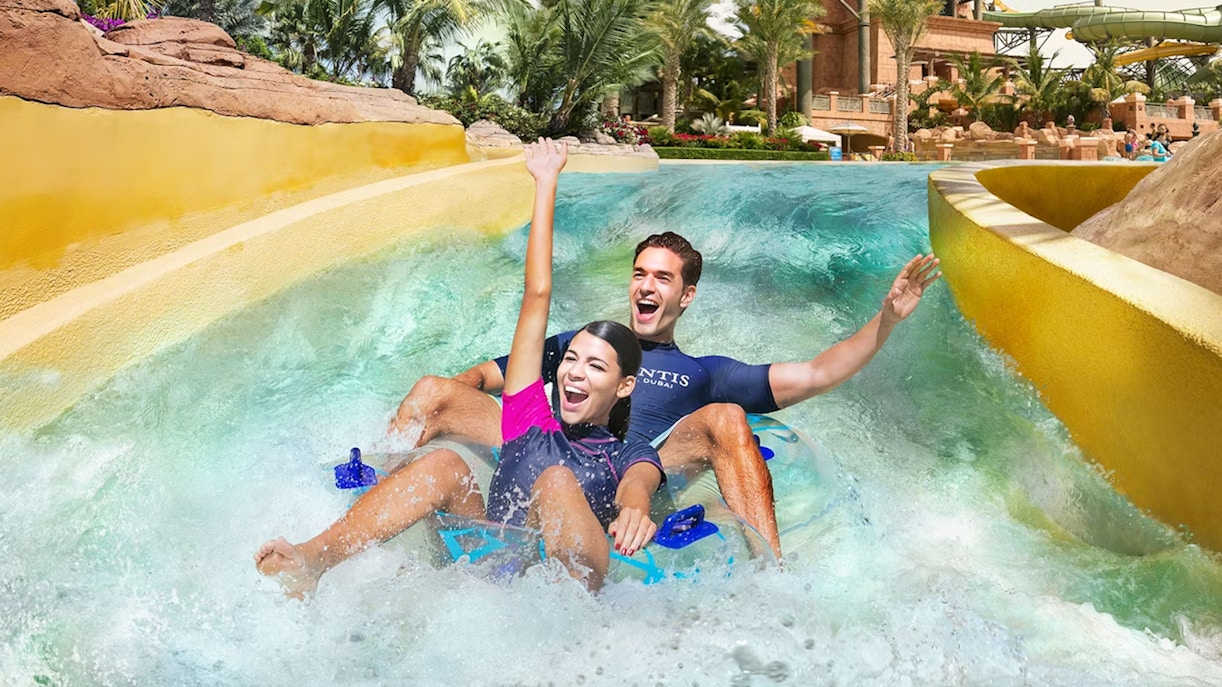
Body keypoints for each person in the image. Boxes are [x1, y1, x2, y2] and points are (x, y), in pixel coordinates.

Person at [255, 139, 666, 595]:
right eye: (570, 359)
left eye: (595, 366)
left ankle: (569, 619)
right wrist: (545, 182)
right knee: (445, 463)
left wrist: (635, 507)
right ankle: (314, 560)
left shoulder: (627, 453)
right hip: (494, 570)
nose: (574, 372)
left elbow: (639, 484)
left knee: (556, 480)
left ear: (625, 385)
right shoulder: (529, 419)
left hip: (567, 589)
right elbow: (537, 296)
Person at [383, 241, 940, 561]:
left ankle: (771, 573)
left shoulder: (705, 372)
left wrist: (886, 321)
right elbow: (484, 376)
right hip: (543, 451)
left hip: (635, 468)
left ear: (686, 295)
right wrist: (445, 402)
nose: (646, 287)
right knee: (434, 390)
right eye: (639, 274)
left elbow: (818, 372)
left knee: (726, 418)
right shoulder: (584, 349)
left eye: (663, 278)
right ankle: (378, 497)